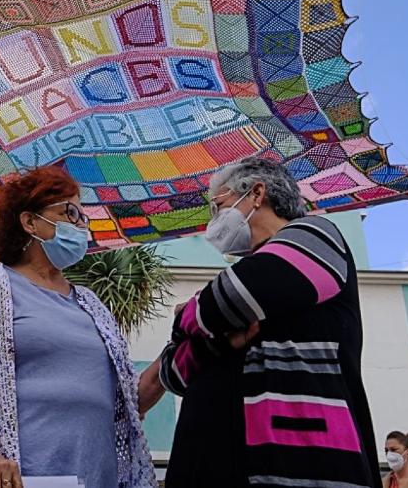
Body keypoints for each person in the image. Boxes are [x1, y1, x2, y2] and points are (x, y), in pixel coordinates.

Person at [0, 166, 156, 488]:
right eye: (69, 212)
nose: (80, 225)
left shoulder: (93, 306)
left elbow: (128, 404)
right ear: (30, 221)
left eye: (83, 217)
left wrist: (179, 350)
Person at [143, 155, 381, 488]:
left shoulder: (316, 236)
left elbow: (222, 302)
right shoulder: (248, 274)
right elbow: (176, 371)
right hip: (216, 463)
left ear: (257, 193)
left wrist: (189, 314)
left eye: (220, 206)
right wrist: (211, 331)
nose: (215, 223)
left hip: (301, 464)